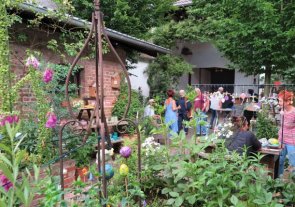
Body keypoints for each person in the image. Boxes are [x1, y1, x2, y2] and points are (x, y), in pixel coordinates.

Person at [278, 90, 295, 177]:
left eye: (280, 101)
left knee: (293, 163)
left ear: (288, 102)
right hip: (281, 139)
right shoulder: (282, 110)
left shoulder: (294, 112)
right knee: (280, 161)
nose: (279, 103)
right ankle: (278, 181)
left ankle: (293, 185)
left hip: (292, 140)